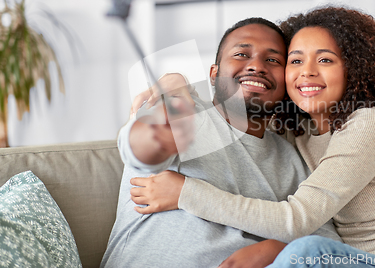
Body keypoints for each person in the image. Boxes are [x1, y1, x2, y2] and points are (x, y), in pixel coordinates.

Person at [129, 6, 375, 268]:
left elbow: (296, 220)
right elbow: (237, 97)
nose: (307, 72)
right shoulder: (296, 129)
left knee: (307, 252)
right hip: (347, 260)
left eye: (326, 60)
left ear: (354, 70)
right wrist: (177, 84)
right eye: (295, 60)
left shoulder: (367, 124)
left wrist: (187, 192)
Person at [100, 17, 340, 268]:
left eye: (273, 60)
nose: (257, 66)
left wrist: (278, 249)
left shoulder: (295, 162)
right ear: (214, 74)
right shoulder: (182, 112)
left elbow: (327, 250)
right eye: (241, 54)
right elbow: (137, 149)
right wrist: (155, 137)